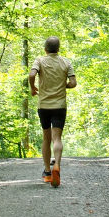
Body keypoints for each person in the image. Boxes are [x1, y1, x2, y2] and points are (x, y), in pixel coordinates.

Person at [28, 36, 76, 188]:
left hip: (44, 105)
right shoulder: (66, 62)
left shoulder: (40, 60)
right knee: (57, 138)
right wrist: (64, 86)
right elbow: (73, 83)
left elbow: (31, 75)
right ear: (58, 48)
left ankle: (48, 172)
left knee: (46, 137)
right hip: (60, 105)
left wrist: (33, 87)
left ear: (45, 49)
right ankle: (57, 167)